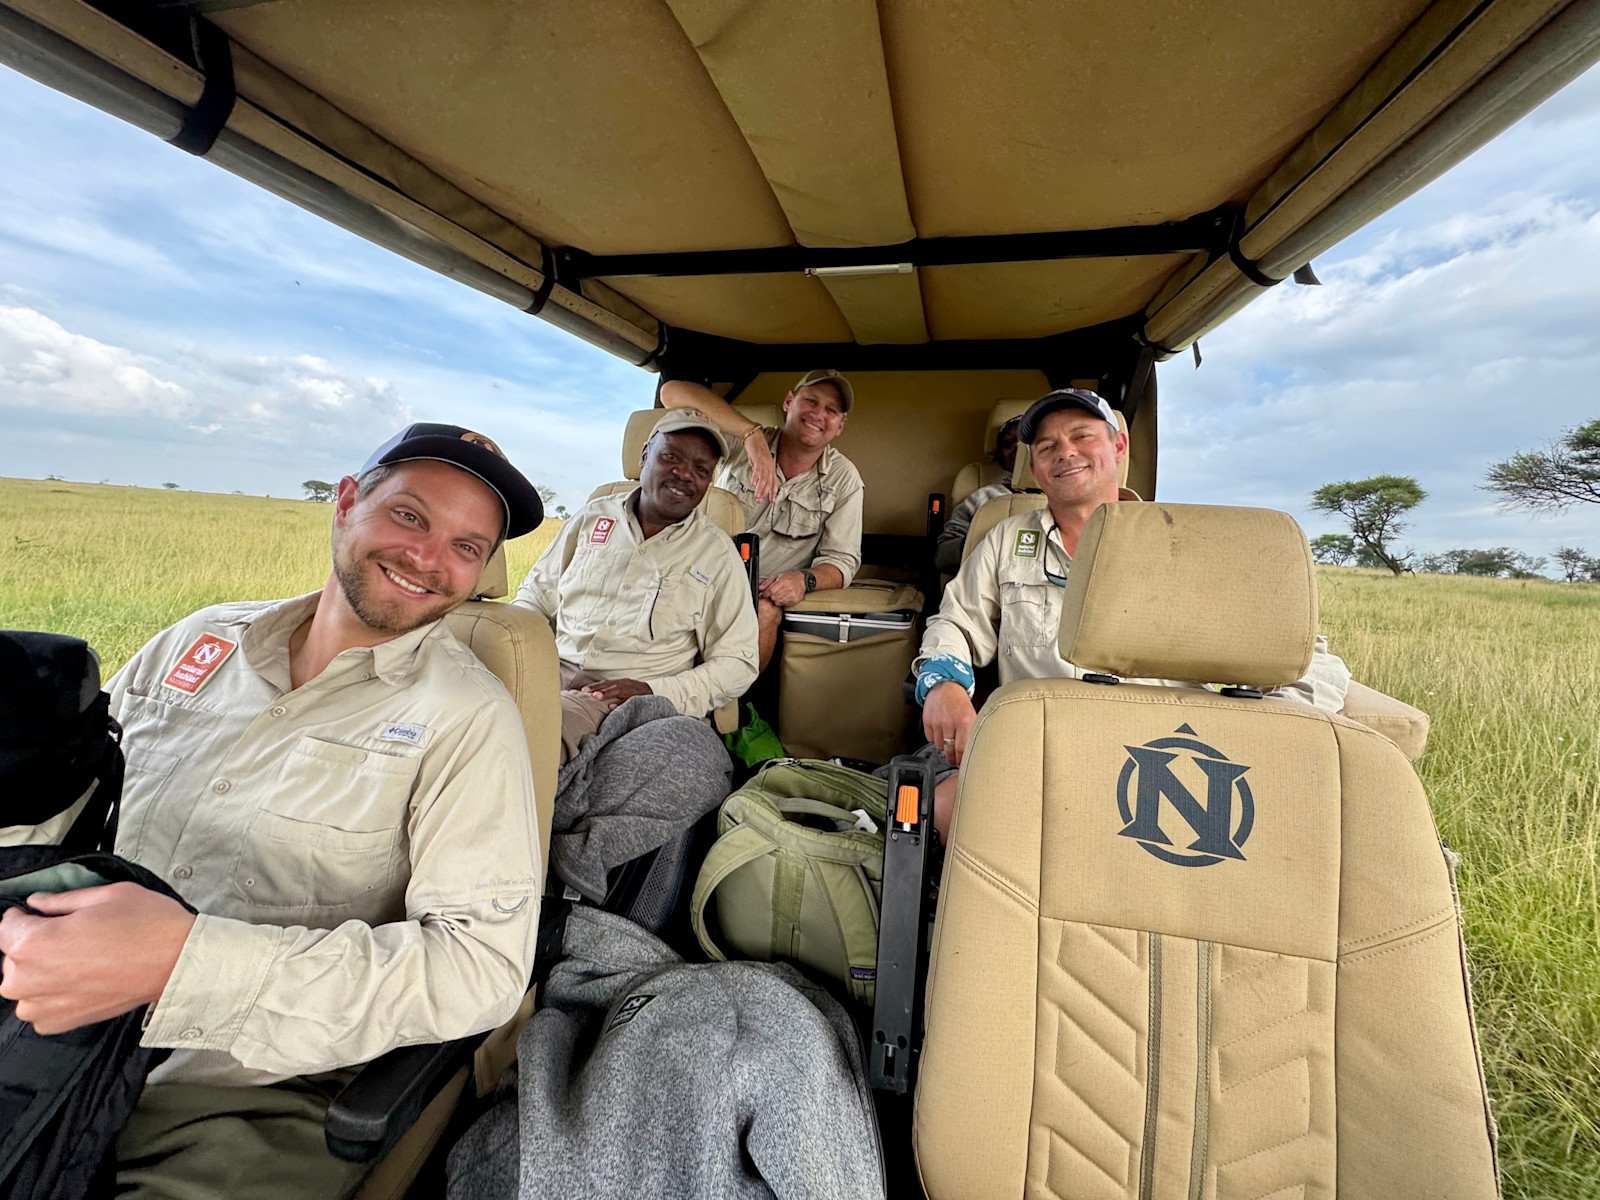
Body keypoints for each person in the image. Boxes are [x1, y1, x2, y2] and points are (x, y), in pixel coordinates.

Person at [0, 423, 547, 1200]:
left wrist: (186, 965)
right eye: (410, 516)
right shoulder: (198, 642)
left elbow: (480, 968)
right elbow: (71, 803)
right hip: (39, 1021)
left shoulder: (466, 718)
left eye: (466, 546)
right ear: (347, 503)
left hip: (240, 1095)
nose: (428, 558)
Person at [915, 388, 1352, 840]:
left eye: (1082, 436)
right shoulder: (1007, 539)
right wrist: (943, 682)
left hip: (1164, 762)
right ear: (1035, 467)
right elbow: (957, 622)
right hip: (1042, 749)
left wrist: (1261, 738)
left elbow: (1305, 658)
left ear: (1119, 446)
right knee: (941, 807)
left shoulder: (1187, 543)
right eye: (1046, 447)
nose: (1065, 452)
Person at [512, 409, 759, 763]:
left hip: (624, 703)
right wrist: (518, 659)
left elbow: (738, 662)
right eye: (671, 457)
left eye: (701, 470)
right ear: (645, 455)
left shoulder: (717, 554)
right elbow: (534, 598)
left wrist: (652, 691)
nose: (684, 474)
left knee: (526, 733)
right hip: (548, 675)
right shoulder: (592, 518)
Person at [660, 370, 864, 670]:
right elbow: (671, 393)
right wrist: (751, 434)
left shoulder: (844, 479)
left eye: (831, 410)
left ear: (840, 426)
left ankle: (737, 698)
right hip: (701, 574)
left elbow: (842, 561)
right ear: (789, 402)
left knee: (766, 609)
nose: (818, 414)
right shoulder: (741, 443)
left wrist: (803, 580)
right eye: (810, 401)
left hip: (761, 590)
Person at [934, 415, 1023, 573]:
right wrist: (984, 543)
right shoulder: (982, 498)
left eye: (1026, 440)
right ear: (1000, 455)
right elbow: (943, 556)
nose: (1017, 446)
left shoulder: (1067, 498)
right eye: (1009, 442)